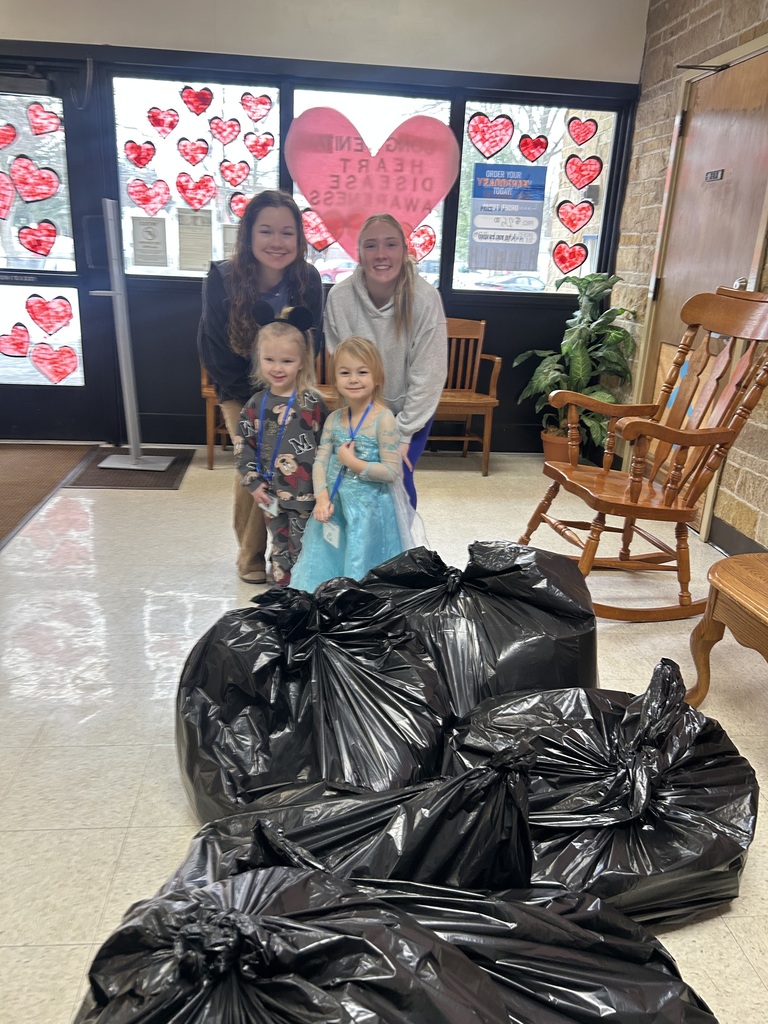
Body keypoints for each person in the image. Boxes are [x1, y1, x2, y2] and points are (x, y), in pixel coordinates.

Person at [198, 190, 323, 583]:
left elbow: (311, 342)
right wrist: (253, 401)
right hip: (240, 388)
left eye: (287, 233)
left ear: (299, 239)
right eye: (266, 231)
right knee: (254, 464)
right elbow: (213, 346)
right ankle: (250, 555)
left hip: (293, 384)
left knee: (297, 466)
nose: (277, 241)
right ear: (248, 235)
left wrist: (299, 392)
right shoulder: (221, 279)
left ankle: (291, 553)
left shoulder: (309, 279)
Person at [323, 213, 447, 508]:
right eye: (371, 246)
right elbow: (342, 365)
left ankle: (402, 553)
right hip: (358, 407)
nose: (381, 254)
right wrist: (363, 424)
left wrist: (401, 434)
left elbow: (428, 375)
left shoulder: (425, 298)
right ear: (359, 254)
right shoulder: (340, 298)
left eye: (390, 245)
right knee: (353, 480)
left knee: (397, 478)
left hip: (409, 411)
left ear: (404, 251)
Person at [290, 336, 426, 594]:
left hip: (370, 513)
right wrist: (321, 498)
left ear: (377, 378)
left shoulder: (384, 419)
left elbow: (391, 471)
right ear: (335, 380)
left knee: (360, 565)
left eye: (362, 372)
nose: (353, 379)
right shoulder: (333, 419)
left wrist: (353, 462)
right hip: (334, 506)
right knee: (329, 562)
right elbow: (320, 461)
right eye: (345, 373)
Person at [236, 304, 328, 588]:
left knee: (303, 545)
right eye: (270, 360)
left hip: (306, 497)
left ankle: (302, 591)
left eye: (287, 361)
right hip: (271, 496)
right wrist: (253, 483)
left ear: (302, 361)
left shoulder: (312, 403)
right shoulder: (255, 405)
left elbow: (327, 447)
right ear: (259, 360)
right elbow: (245, 447)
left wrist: (326, 490)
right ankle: (281, 592)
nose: (277, 368)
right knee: (279, 545)